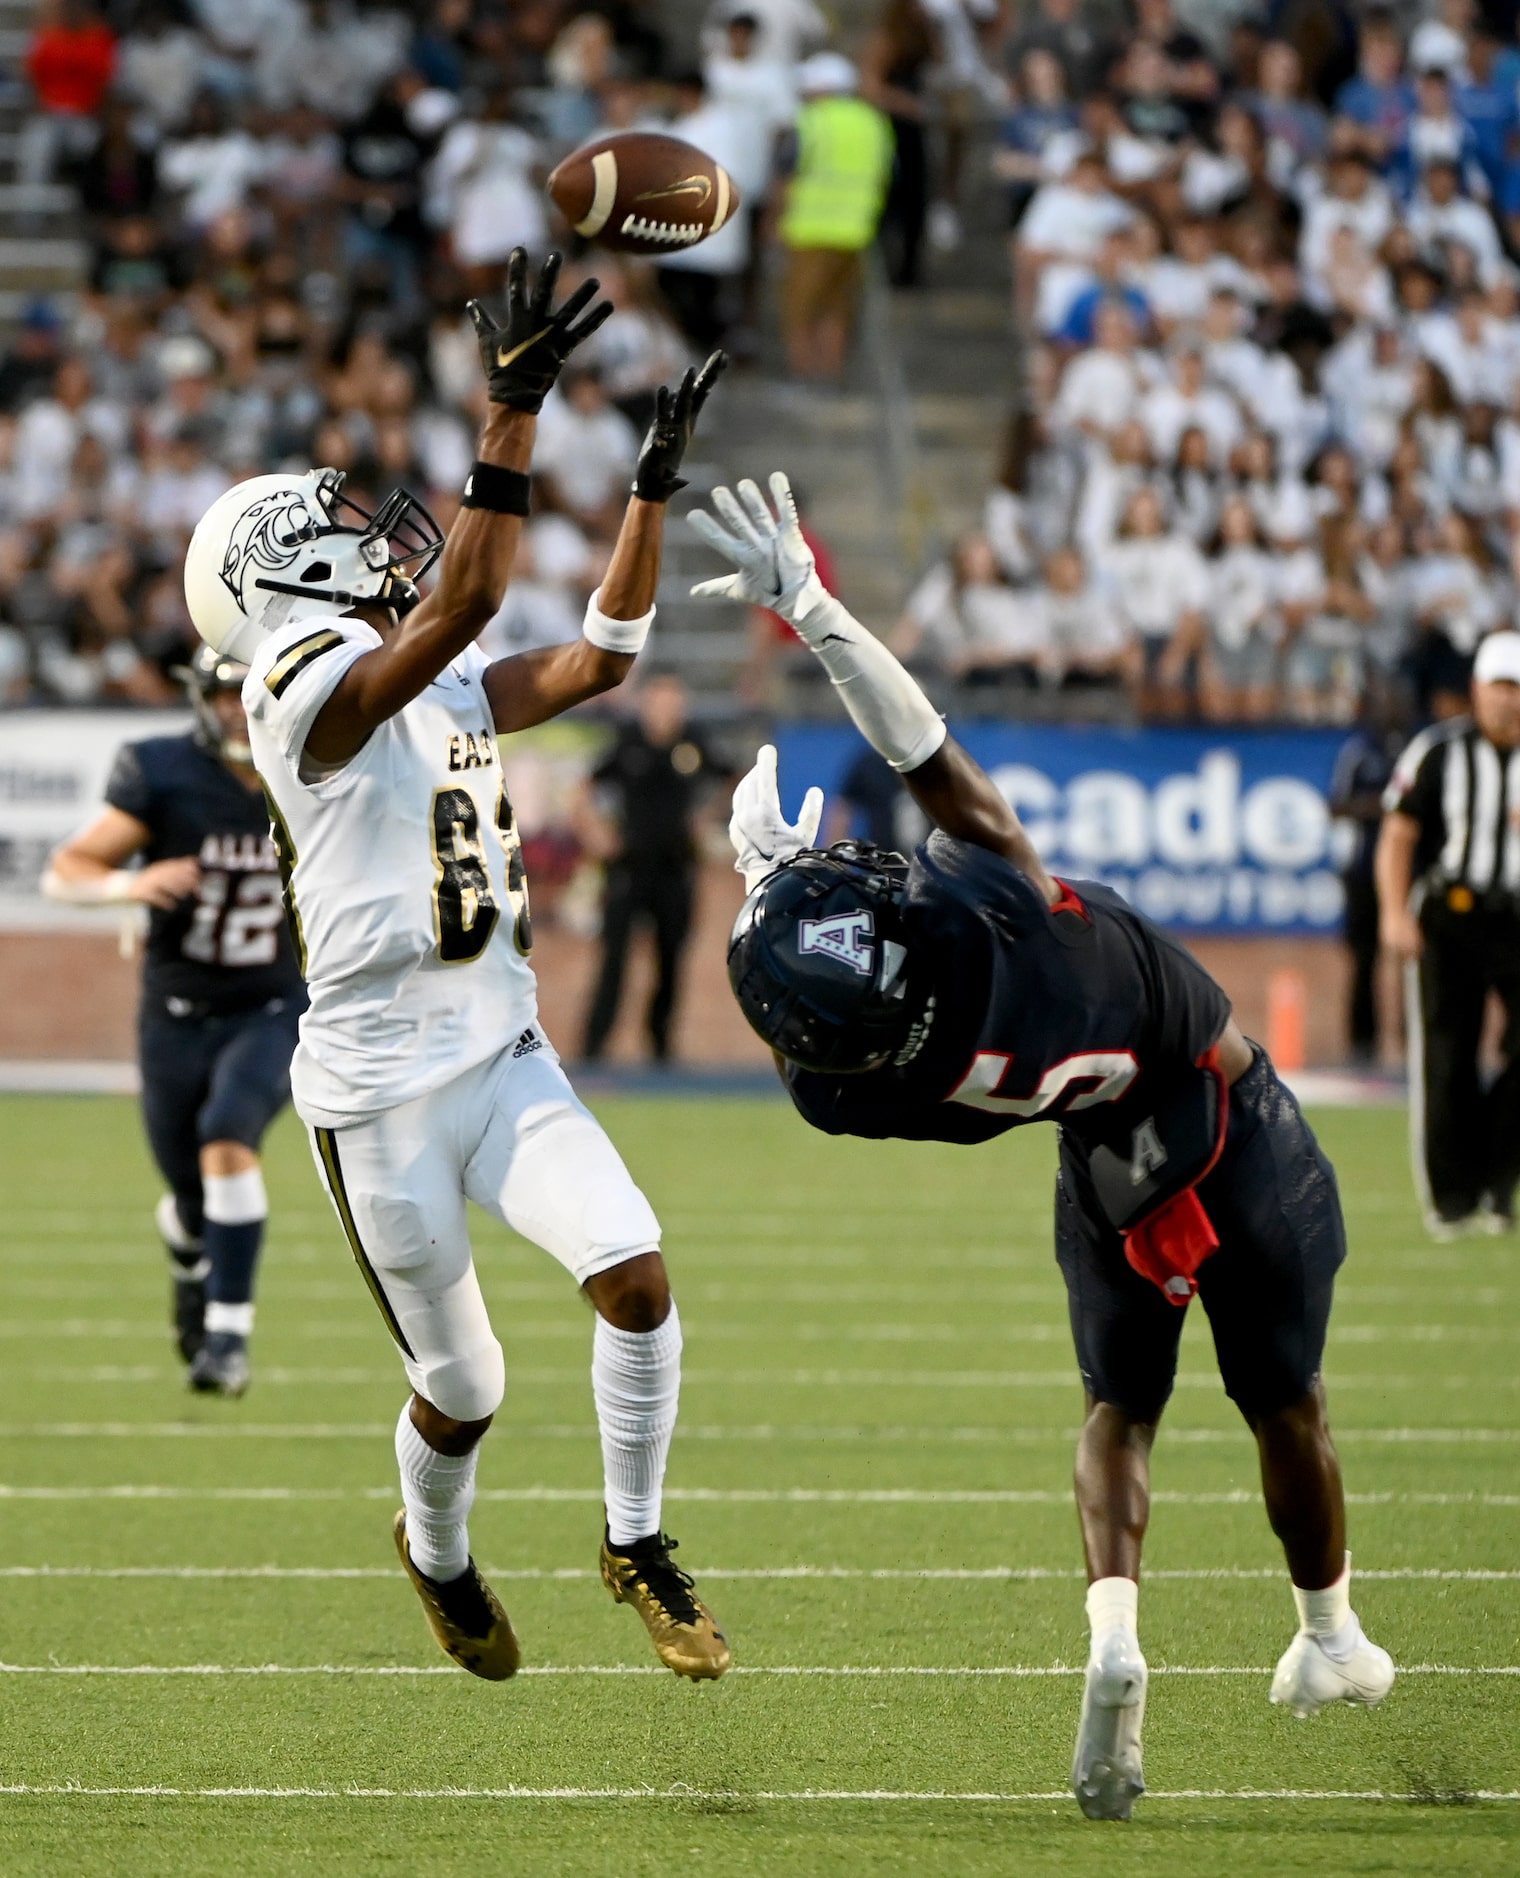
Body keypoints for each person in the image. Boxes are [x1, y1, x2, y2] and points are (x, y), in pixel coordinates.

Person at [689, 471, 1395, 1822]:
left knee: (1119, 1412)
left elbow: (816, 1014)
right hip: (1229, 1125)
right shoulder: (1002, 909)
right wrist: (816, 608)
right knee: (1285, 1404)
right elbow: (921, 744)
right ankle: (1324, 1630)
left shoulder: (839, 1089)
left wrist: (758, 890)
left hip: (1105, 1179)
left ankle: (1116, 1628)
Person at [181, 250, 732, 1685]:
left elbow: (603, 659)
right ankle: (434, 1551)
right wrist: (513, 412)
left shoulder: (414, 658)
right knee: (465, 1382)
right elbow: (469, 606)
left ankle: (637, 1540)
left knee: (635, 1270)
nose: (366, 533)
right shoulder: (294, 680)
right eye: (330, 524)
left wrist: (649, 493)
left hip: (498, 1048)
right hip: (375, 1093)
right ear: (274, 572)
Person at [41, 646, 305, 1397]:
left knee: (229, 1135)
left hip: (275, 1005)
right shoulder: (163, 771)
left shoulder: (319, 769)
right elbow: (67, 869)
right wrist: (133, 881)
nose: (234, 711)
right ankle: (190, 1253)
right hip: (176, 1014)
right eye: (221, 695)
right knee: (191, 1194)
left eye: (247, 695)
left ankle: (228, 1338)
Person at [1375, 630, 1520, 1238]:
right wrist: (1393, 913)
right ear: (1476, 690)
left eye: (1517, 687)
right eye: (1499, 686)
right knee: (1446, 1056)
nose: (1508, 699)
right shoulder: (1438, 752)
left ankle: (1497, 1177)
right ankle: (1451, 1197)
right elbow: (1399, 837)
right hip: (1452, 916)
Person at [580, 672, 726, 1063]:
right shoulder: (627, 742)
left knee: (670, 962)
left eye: (673, 704)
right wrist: (595, 833)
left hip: (676, 870)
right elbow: (586, 785)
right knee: (614, 961)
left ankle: (660, 1050)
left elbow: (731, 778)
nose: (666, 712)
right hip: (628, 869)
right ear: (646, 705)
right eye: (660, 703)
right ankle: (593, 1048)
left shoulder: (694, 742)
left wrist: (706, 817)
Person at [777, 53, 894, 379]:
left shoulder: (810, 120)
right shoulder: (874, 122)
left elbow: (786, 172)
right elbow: (888, 174)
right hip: (857, 230)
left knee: (801, 309)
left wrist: (773, 220)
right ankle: (831, 373)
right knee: (839, 309)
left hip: (809, 230)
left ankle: (804, 375)